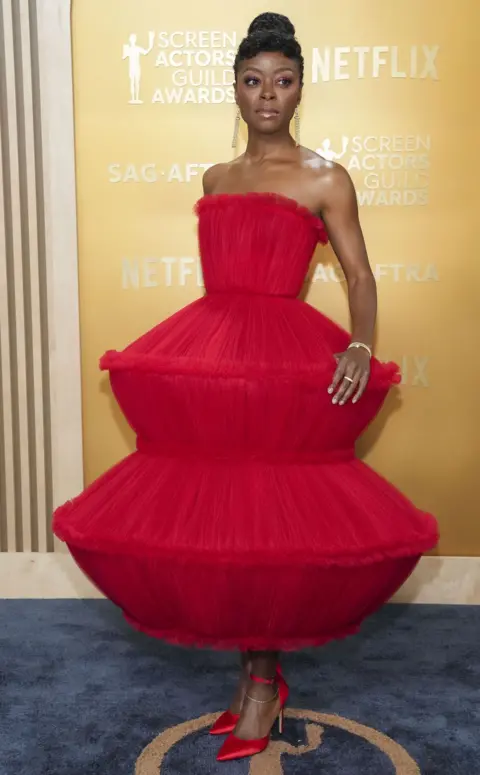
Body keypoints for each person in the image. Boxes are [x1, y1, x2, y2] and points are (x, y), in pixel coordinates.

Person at [53, 12, 438, 763]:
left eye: (283, 81)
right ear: (234, 88)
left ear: (301, 90)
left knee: (270, 525)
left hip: (282, 355)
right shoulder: (216, 177)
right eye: (254, 81)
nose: (269, 95)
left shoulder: (325, 176)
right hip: (216, 351)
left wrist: (360, 342)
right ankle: (249, 678)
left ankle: (265, 683)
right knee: (230, 525)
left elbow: (359, 274)